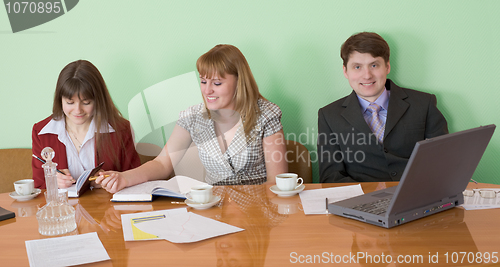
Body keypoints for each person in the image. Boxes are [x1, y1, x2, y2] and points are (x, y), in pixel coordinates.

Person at [97, 44, 287, 193]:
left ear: (239, 81)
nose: (207, 90)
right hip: (216, 210)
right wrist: (124, 177)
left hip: (258, 212)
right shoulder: (193, 117)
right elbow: (163, 164)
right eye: (203, 81)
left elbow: (276, 182)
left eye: (217, 83)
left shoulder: (266, 114)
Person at [317, 32, 448, 183]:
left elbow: (441, 161)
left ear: (387, 66)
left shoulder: (424, 104)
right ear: (345, 71)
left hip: (416, 195)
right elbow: (331, 177)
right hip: (361, 201)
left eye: (374, 65)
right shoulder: (329, 116)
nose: (367, 75)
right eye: (357, 67)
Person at [32, 60, 141, 189]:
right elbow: (38, 185)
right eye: (70, 102)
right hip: (64, 208)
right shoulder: (41, 132)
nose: (78, 110)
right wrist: (53, 182)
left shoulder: (121, 130)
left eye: (86, 102)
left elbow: (135, 180)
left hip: (108, 208)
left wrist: (115, 180)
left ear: (98, 100)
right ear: (60, 100)